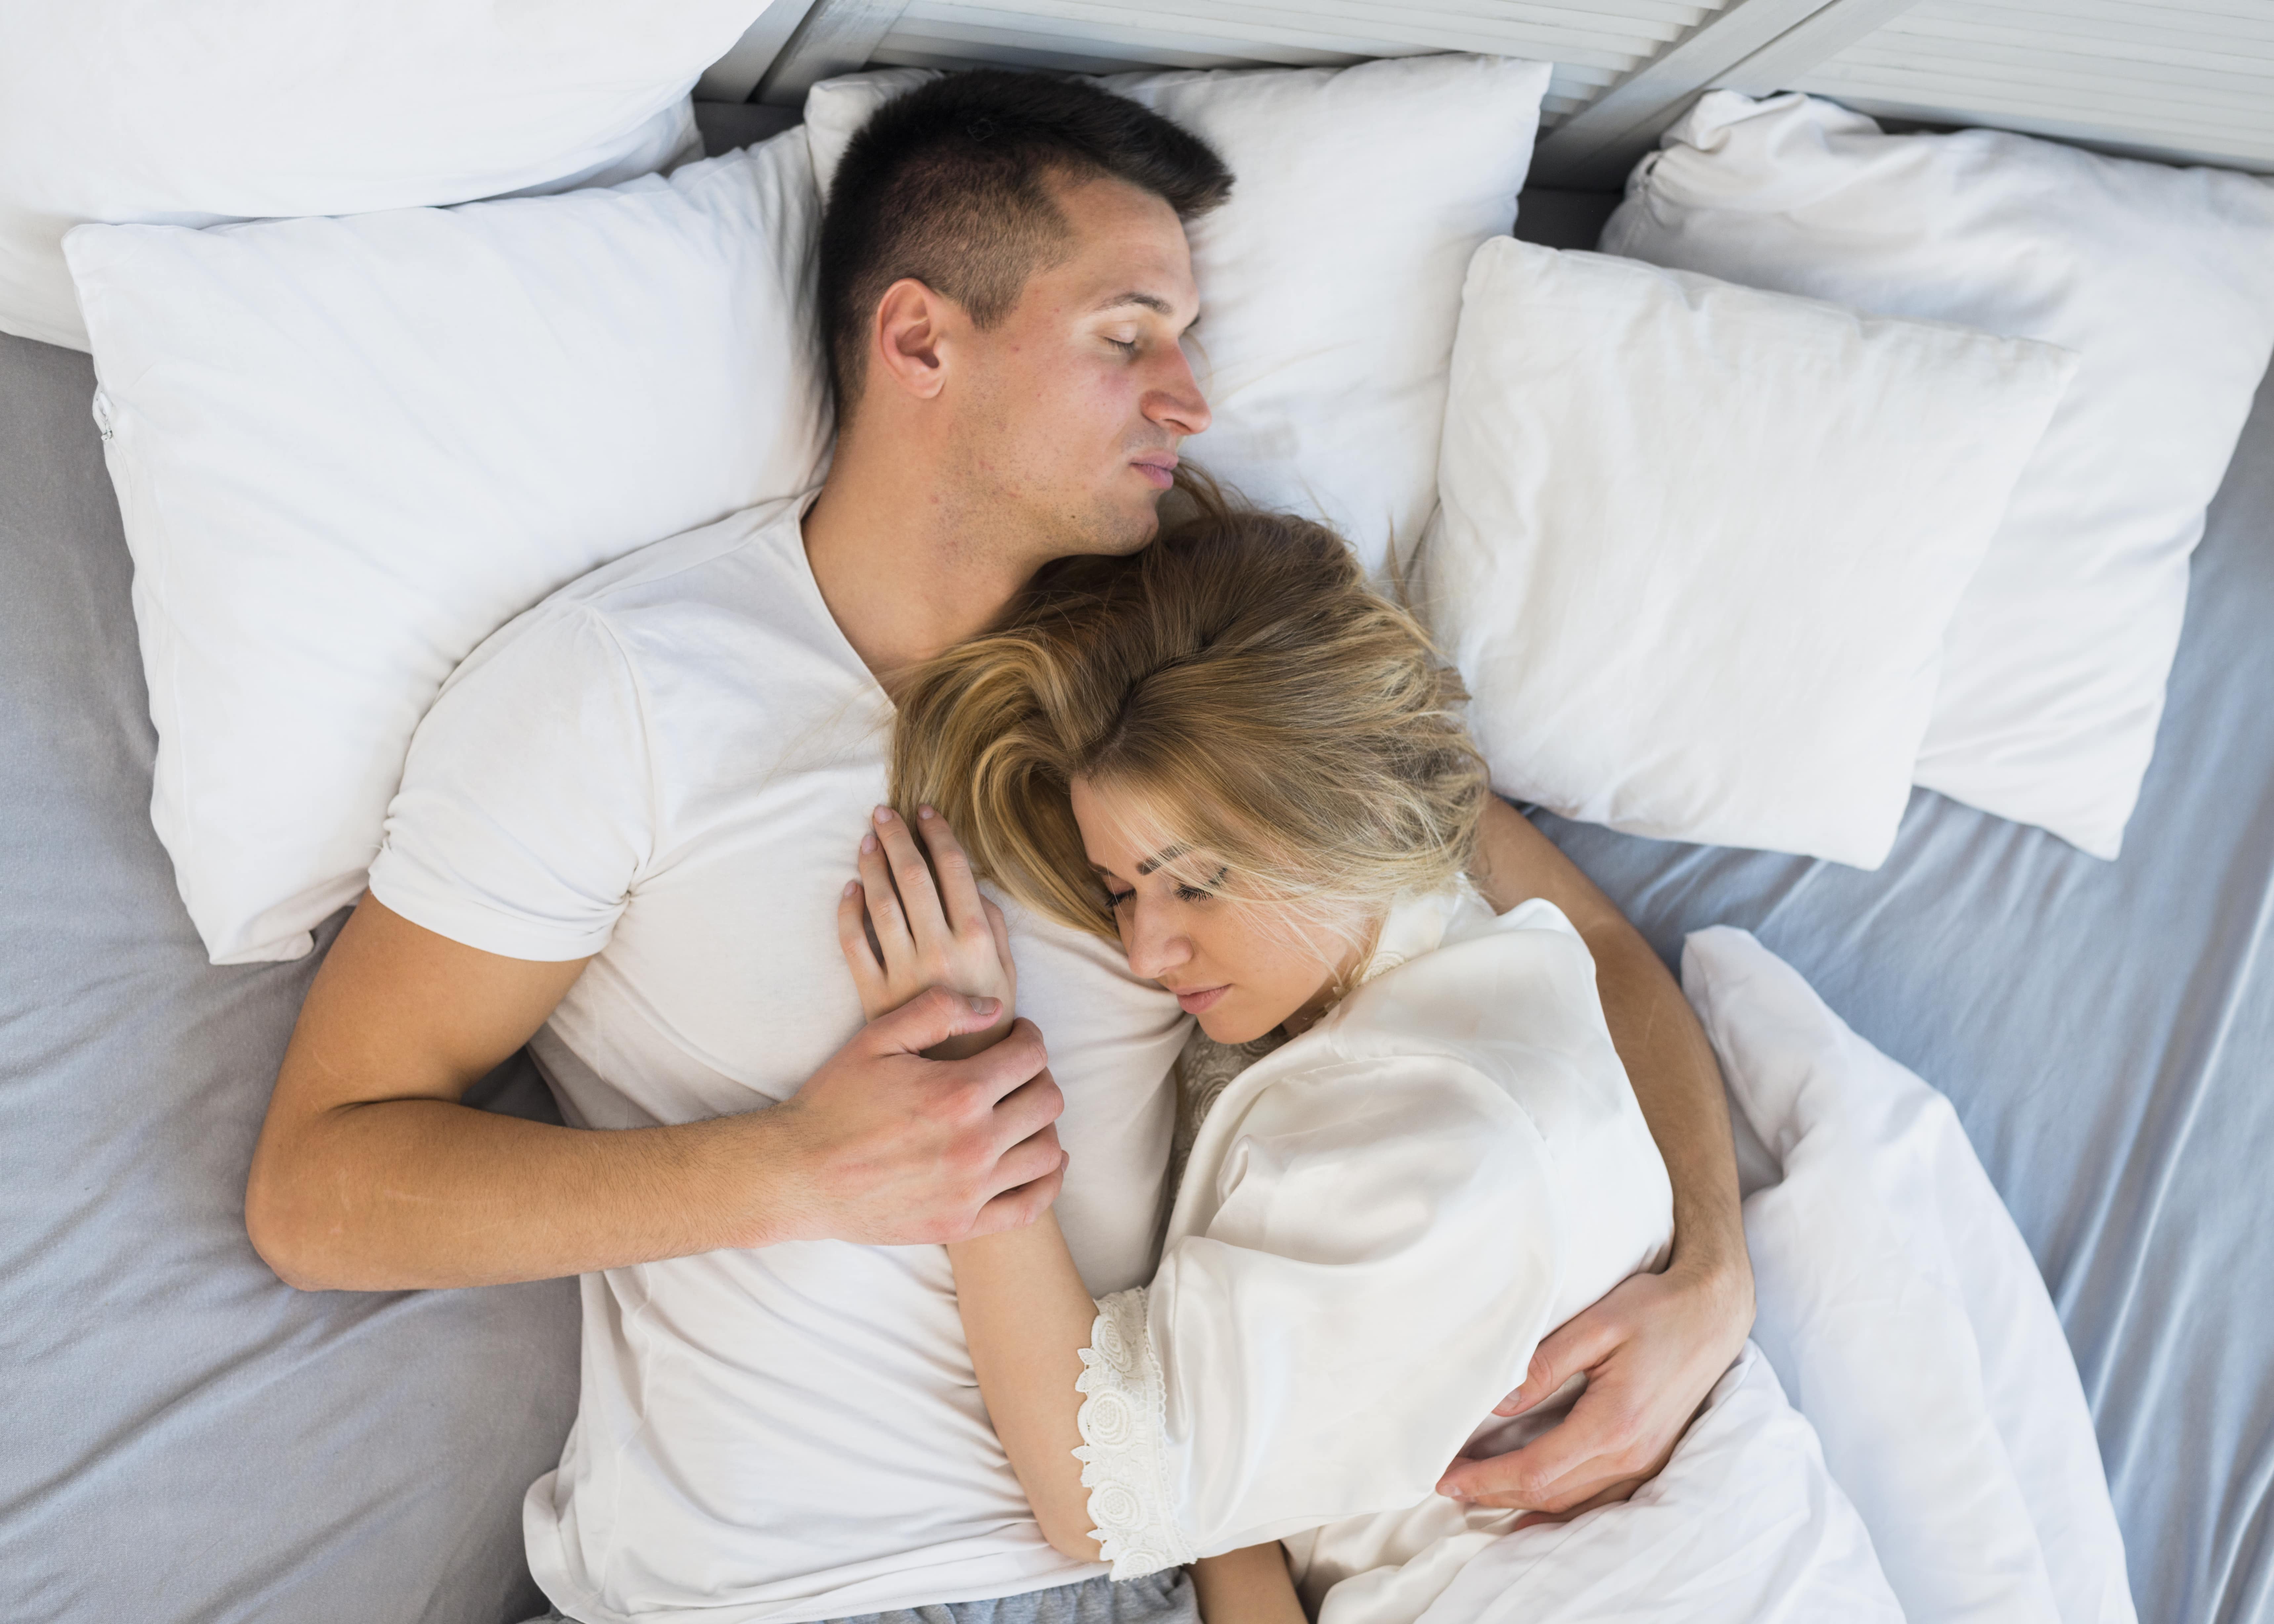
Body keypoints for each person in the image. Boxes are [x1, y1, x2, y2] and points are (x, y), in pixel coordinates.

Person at [241, 69, 1751, 1624]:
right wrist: (795, 1170)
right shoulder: (624, 694)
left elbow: (1589, 947)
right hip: (760, 1594)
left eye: (1188, 339)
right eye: (1127, 337)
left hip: (1146, 1559)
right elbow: (317, 1188)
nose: (1190, 397)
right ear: (918, 341)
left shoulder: (1201, 681)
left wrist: (1711, 1276)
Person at [838, 500, 1674, 1624]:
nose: (1145, 949)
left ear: (1338, 809)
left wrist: (969, 1067)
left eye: (1197, 881)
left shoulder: (1430, 1153)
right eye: (1123, 890)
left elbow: (1095, 1496)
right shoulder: (1431, 940)